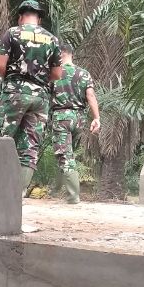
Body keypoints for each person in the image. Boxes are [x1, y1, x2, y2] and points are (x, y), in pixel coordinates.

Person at [0, 0, 62, 193]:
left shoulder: (12, 33)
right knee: (30, 146)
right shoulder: (52, 39)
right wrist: (38, 80)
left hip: (15, 92)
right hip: (40, 97)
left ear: (20, 17)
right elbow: (57, 74)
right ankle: (17, 194)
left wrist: (13, 79)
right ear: (39, 19)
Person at [50, 42, 101, 204]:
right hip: (78, 118)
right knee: (67, 154)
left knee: (65, 155)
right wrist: (96, 118)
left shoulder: (54, 72)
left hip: (61, 116)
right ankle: (55, 190)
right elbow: (91, 96)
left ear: (61, 54)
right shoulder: (84, 73)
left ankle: (73, 197)